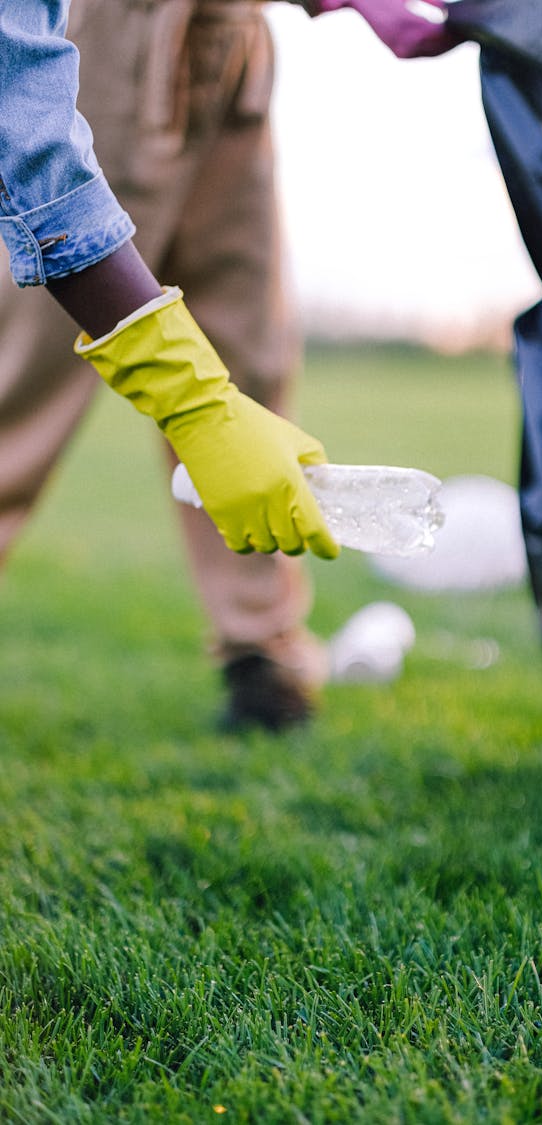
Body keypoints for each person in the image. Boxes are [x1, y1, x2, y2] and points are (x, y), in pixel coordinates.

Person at [0, 0, 459, 730]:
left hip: (236, 33)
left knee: (248, 350)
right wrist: (191, 400)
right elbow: (35, 161)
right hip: (121, 33)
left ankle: (262, 646)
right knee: (24, 379)